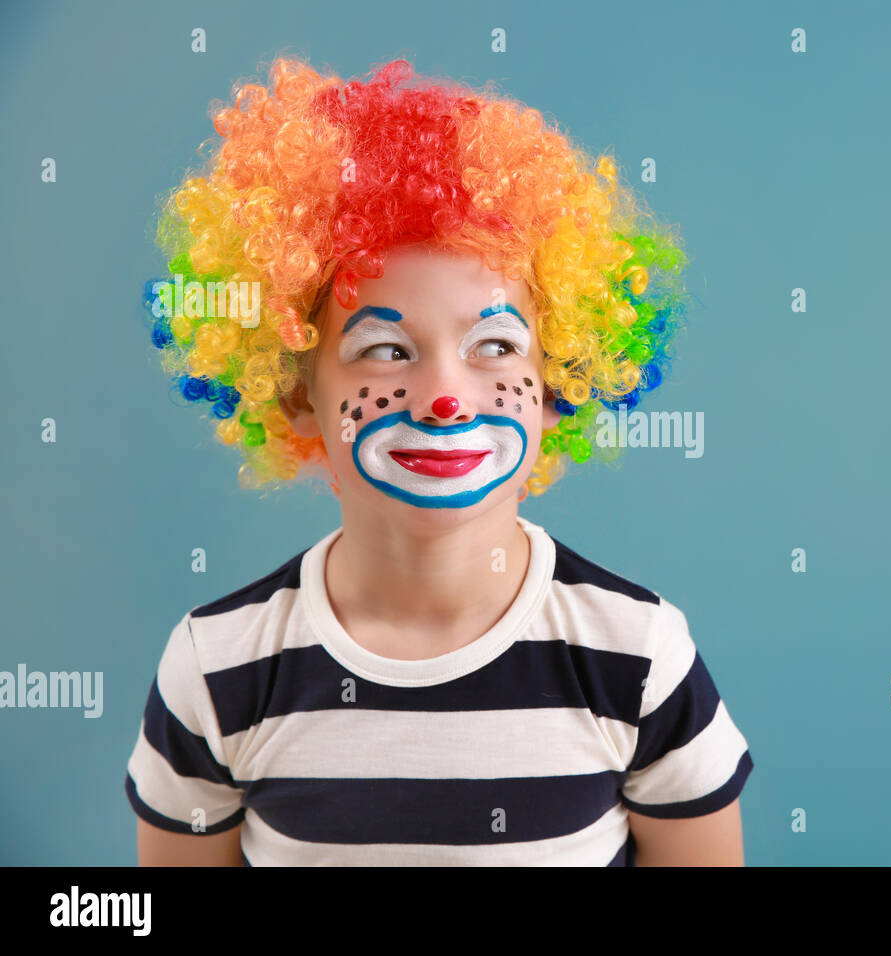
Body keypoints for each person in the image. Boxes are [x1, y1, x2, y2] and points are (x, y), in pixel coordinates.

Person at [125, 56, 753, 865]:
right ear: (293, 392)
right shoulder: (219, 669)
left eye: (495, 345)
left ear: (560, 378)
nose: (445, 398)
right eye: (386, 349)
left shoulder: (637, 656)